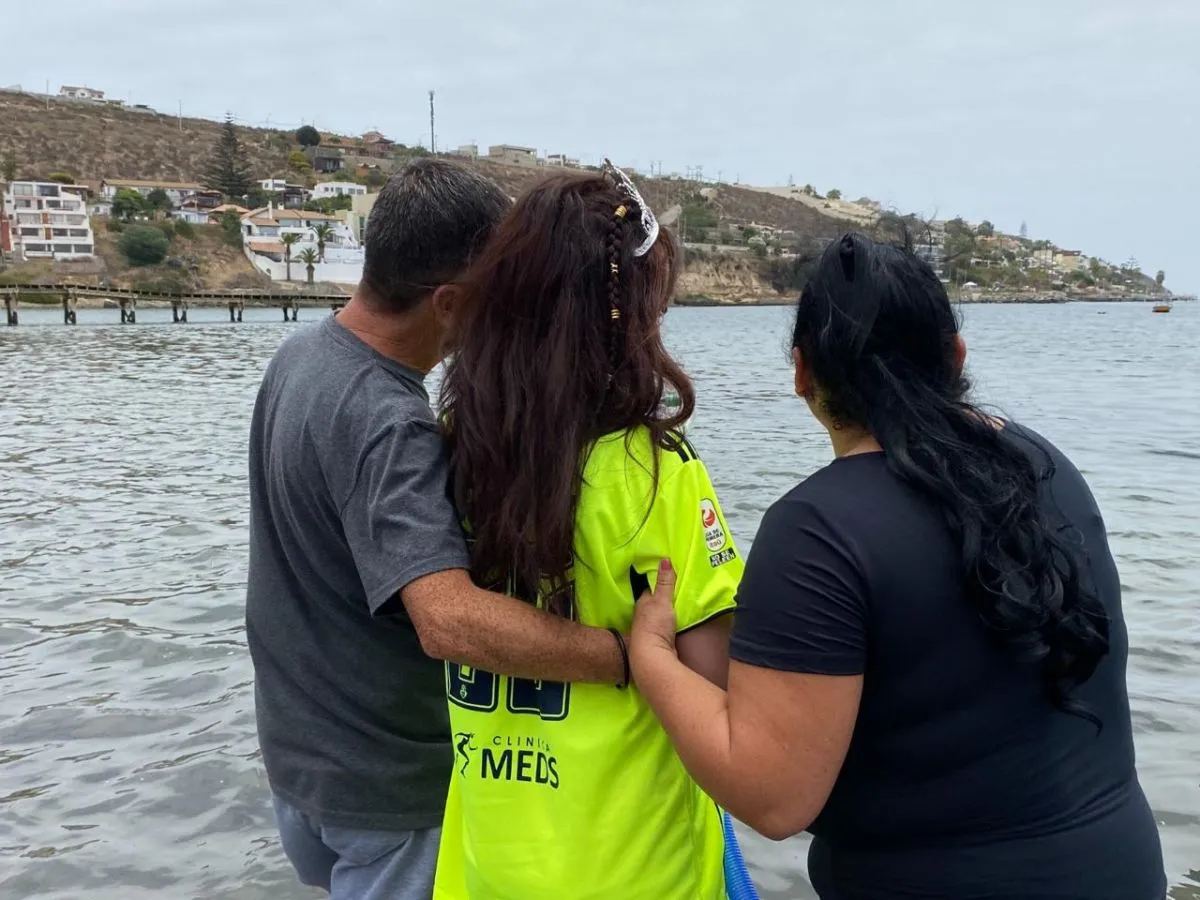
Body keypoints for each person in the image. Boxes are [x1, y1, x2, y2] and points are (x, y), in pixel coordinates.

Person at [630, 232, 1167, 900]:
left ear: (802, 373)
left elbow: (772, 797)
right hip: (1121, 869)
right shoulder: (1044, 465)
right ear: (956, 355)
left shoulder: (819, 528)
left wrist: (650, 654)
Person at [245, 159, 626, 900]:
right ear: (449, 302)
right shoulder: (389, 420)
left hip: (300, 769)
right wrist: (621, 658)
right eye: (498, 294)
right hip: (389, 799)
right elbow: (447, 621)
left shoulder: (300, 356)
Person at [432, 167, 744, 900]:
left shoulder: (447, 449)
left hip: (483, 866)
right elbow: (719, 686)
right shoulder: (658, 473)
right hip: (635, 868)